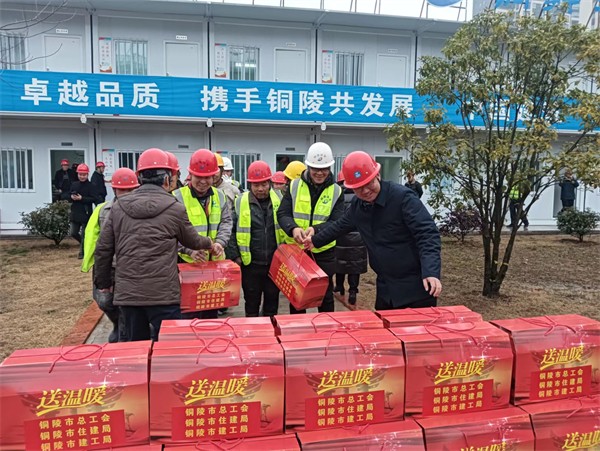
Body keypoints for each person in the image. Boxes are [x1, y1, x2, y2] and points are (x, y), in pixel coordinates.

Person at [94, 148, 213, 342]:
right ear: (166, 179)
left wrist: (104, 284)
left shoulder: (118, 207)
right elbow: (193, 241)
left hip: (129, 295)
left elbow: (103, 250)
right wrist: (209, 243)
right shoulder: (174, 208)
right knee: (170, 347)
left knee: (136, 348)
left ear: (139, 177)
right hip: (164, 295)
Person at [304, 151, 442, 310]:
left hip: (416, 285)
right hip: (385, 287)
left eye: (368, 184)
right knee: (384, 324)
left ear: (377, 176)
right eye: (358, 188)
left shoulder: (403, 198)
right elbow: (340, 226)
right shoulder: (358, 206)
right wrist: (315, 241)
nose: (365, 191)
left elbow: (427, 234)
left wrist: (431, 271)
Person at [277, 142, 344, 314]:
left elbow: (337, 222)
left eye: (324, 169)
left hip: (324, 252)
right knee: (297, 296)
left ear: (330, 167)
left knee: (326, 296)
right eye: (315, 168)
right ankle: (298, 328)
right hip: (298, 251)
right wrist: (293, 228)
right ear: (308, 166)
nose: (320, 173)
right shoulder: (294, 186)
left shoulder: (337, 191)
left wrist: (316, 230)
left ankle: (326, 327)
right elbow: (283, 213)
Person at [172, 149, 233, 320]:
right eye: (199, 177)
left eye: (208, 177)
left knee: (210, 314)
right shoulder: (177, 197)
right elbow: (170, 232)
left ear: (214, 176)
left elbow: (226, 222)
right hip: (188, 265)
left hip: (214, 266)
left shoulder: (220, 196)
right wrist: (188, 250)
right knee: (188, 314)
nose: (203, 182)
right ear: (190, 174)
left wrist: (220, 242)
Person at [81, 167, 139, 342]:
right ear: (114, 190)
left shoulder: (141, 211)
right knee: (104, 301)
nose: (127, 194)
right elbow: (92, 237)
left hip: (131, 268)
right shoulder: (102, 210)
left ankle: (122, 336)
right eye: (123, 190)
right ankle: (118, 325)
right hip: (108, 265)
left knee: (126, 307)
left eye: (131, 190)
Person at [228, 161, 285, 317]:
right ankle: (252, 330)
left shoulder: (280, 200)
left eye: (264, 184)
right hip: (250, 265)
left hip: (274, 263)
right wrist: (235, 256)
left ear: (270, 183)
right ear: (250, 185)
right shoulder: (240, 202)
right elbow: (231, 230)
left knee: (272, 305)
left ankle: (271, 330)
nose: (260, 189)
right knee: (252, 305)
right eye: (256, 185)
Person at [333, 171, 368, 308]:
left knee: (340, 263)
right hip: (358, 237)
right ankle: (353, 291)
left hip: (341, 236)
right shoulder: (361, 197)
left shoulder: (337, 196)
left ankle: (339, 286)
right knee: (355, 266)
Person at [70, 163, 99, 259]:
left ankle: (82, 253)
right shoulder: (74, 184)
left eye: (84, 175)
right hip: (75, 212)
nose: (82, 176)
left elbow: (95, 199)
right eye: (80, 174)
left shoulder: (91, 186)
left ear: (87, 174)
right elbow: (69, 195)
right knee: (73, 232)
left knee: (84, 234)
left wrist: (82, 198)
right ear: (77, 174)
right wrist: (72, 197)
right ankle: (84, 244)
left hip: (86, 212)